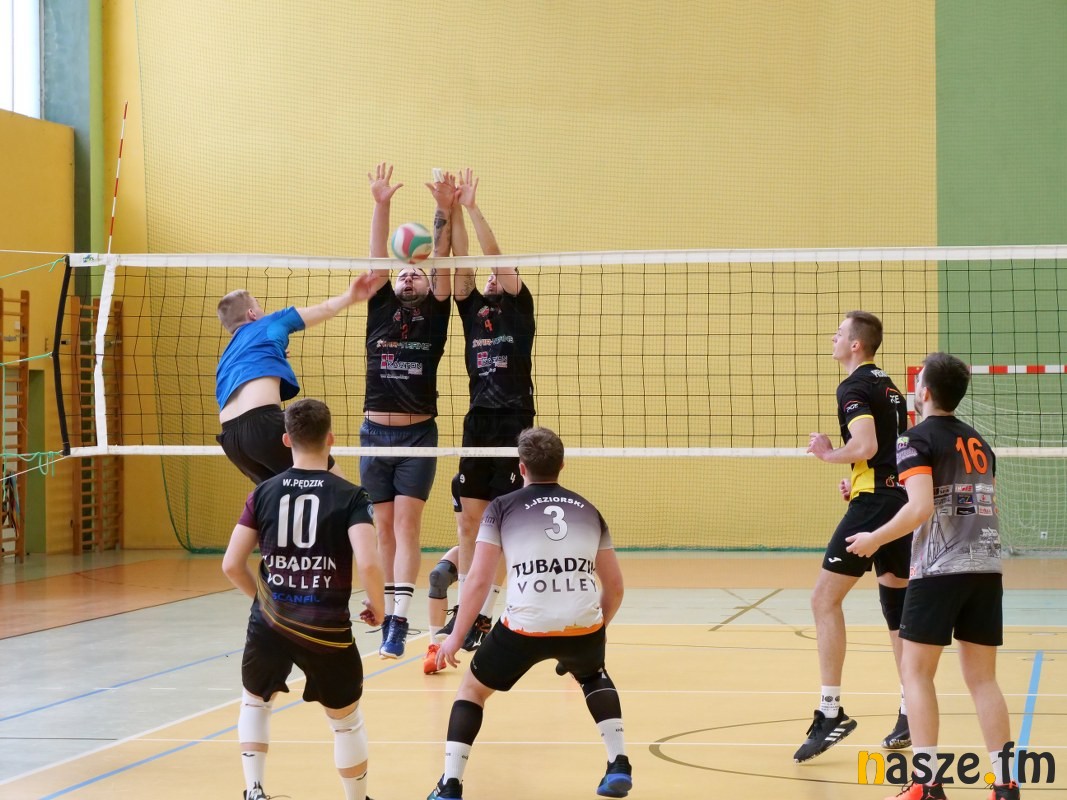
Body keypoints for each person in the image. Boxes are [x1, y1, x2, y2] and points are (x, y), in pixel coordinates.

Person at [847, 353, 1019, 800]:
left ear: (923, 392)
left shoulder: (914, 439)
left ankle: (926, 785)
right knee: (983, 680)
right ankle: (1005, 785)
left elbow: (921, 507)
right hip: (986, 568)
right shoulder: (979, 441)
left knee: (916, 673)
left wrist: (874, 538)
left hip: (939, 569)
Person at [427, 427, 631, 800]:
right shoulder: (589, 510)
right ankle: (619, 764)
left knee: (471, 691)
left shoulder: (501, 508)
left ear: (521, 468)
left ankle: (450, 784)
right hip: (582, 624)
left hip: (524, 626)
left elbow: (479, 581)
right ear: (562, 465)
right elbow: (615, 587)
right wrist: (594, 630)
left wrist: (455, 637)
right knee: (593, 675)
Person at [221, 398, 385, 800]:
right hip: (326, 628)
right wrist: (378, 606)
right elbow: (369, 562)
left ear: (285, 440)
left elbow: (231, 564)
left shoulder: (262, 493)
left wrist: (265, 601)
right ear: (331, 439)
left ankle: (254, 790)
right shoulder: (351, 496)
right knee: (345, 722)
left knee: (256, 704)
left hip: (270, 624)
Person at [794, 311, 912, 763]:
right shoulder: (891, 387)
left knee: (823, 600)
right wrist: (859, 479)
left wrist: (828, 454)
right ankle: (910, 708)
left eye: (840, 333)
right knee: (896, 611)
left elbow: (865, 445)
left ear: (856, 344)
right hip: (898, 500)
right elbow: (890, 452)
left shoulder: (854, 386)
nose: (834, 337)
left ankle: (831, 712)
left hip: (875, 506)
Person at [362, 162, 454, 659]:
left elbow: (442, 263)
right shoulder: (379, 306)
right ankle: (386, 616)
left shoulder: (434, 315)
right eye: (405, 272)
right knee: (383, 528)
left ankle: (398, 620)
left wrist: (445, 210)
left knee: (407, 526)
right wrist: (382, 204)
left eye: (417, 272)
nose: (411, 275)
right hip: (374, 434)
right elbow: (377, 260)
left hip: (418, 436)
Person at [450, 168, 534, 652]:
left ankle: (488, 612)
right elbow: (463, 263)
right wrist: (452, 209)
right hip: (477, 422)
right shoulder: (474, 312)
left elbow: (493, 257)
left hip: (514, 423)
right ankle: (467, 611)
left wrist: (474, 207)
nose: (489, 277)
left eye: (498, 275)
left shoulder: (519, 310)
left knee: (505, 527)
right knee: (469, 523)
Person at [216, 273, 376, 484]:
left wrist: (277, 354)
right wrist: (350, 296)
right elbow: (324, 309)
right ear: (252, 314)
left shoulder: (227, 358)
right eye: (259, 305)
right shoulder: (270, 323)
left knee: (284, 497)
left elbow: (252, 370)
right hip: (262, 425)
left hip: (232, 441)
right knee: (334, 487)